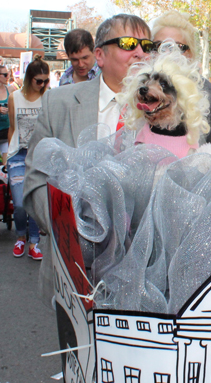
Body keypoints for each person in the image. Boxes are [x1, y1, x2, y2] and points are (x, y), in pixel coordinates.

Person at [24, 14, 152, 236]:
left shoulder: (166, 112)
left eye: (147, 46)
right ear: (100, 55)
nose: (140, 52)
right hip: (72, 256)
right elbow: (36, 180)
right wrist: (67, 231)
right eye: (128, 44)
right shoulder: (58, 103)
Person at [150, 11, 211, 142]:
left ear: (191, 54)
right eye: (158, 45)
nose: (167, 53)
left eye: (178, 47)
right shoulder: (139, 91)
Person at [7, 57, 49, 261]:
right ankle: (20, 237)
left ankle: (34, 241)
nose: (42, 85)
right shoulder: (14, 96)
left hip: (39, 154)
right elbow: (12, 127)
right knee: (19, 202)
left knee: (35, 200)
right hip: (18, 153)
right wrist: (7, 154)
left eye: (45, 81)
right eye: (38, 81)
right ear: (29, 79)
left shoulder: (48, 97)